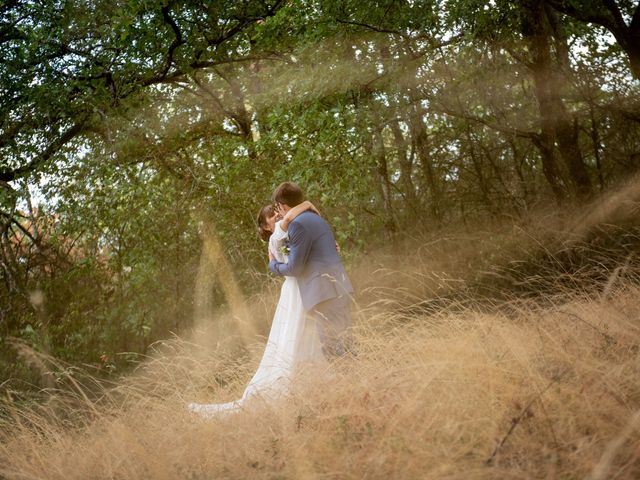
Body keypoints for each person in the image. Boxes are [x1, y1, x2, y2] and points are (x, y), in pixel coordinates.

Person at [188, 200, 327, 417]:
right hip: (295, 291)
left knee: (300, 334)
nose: (278, 216)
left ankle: (310, 383)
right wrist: (308, 204)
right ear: (265, 226)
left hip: (298, 289)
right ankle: (291, 386)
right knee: (294, 332)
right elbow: (291, 231)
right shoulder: (278, 235)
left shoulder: (292, 233)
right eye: (272, 215)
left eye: (276, 212)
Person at [269, 182, 354, 359]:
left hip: (324, 293)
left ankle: (354, 383)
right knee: (345, 344)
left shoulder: (297, 225)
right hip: (340, 287)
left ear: (283, 205)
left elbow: (295, 267)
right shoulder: (318, 219)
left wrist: (274, 266)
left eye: (278, 207)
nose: (279, 213)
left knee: (333, 350)